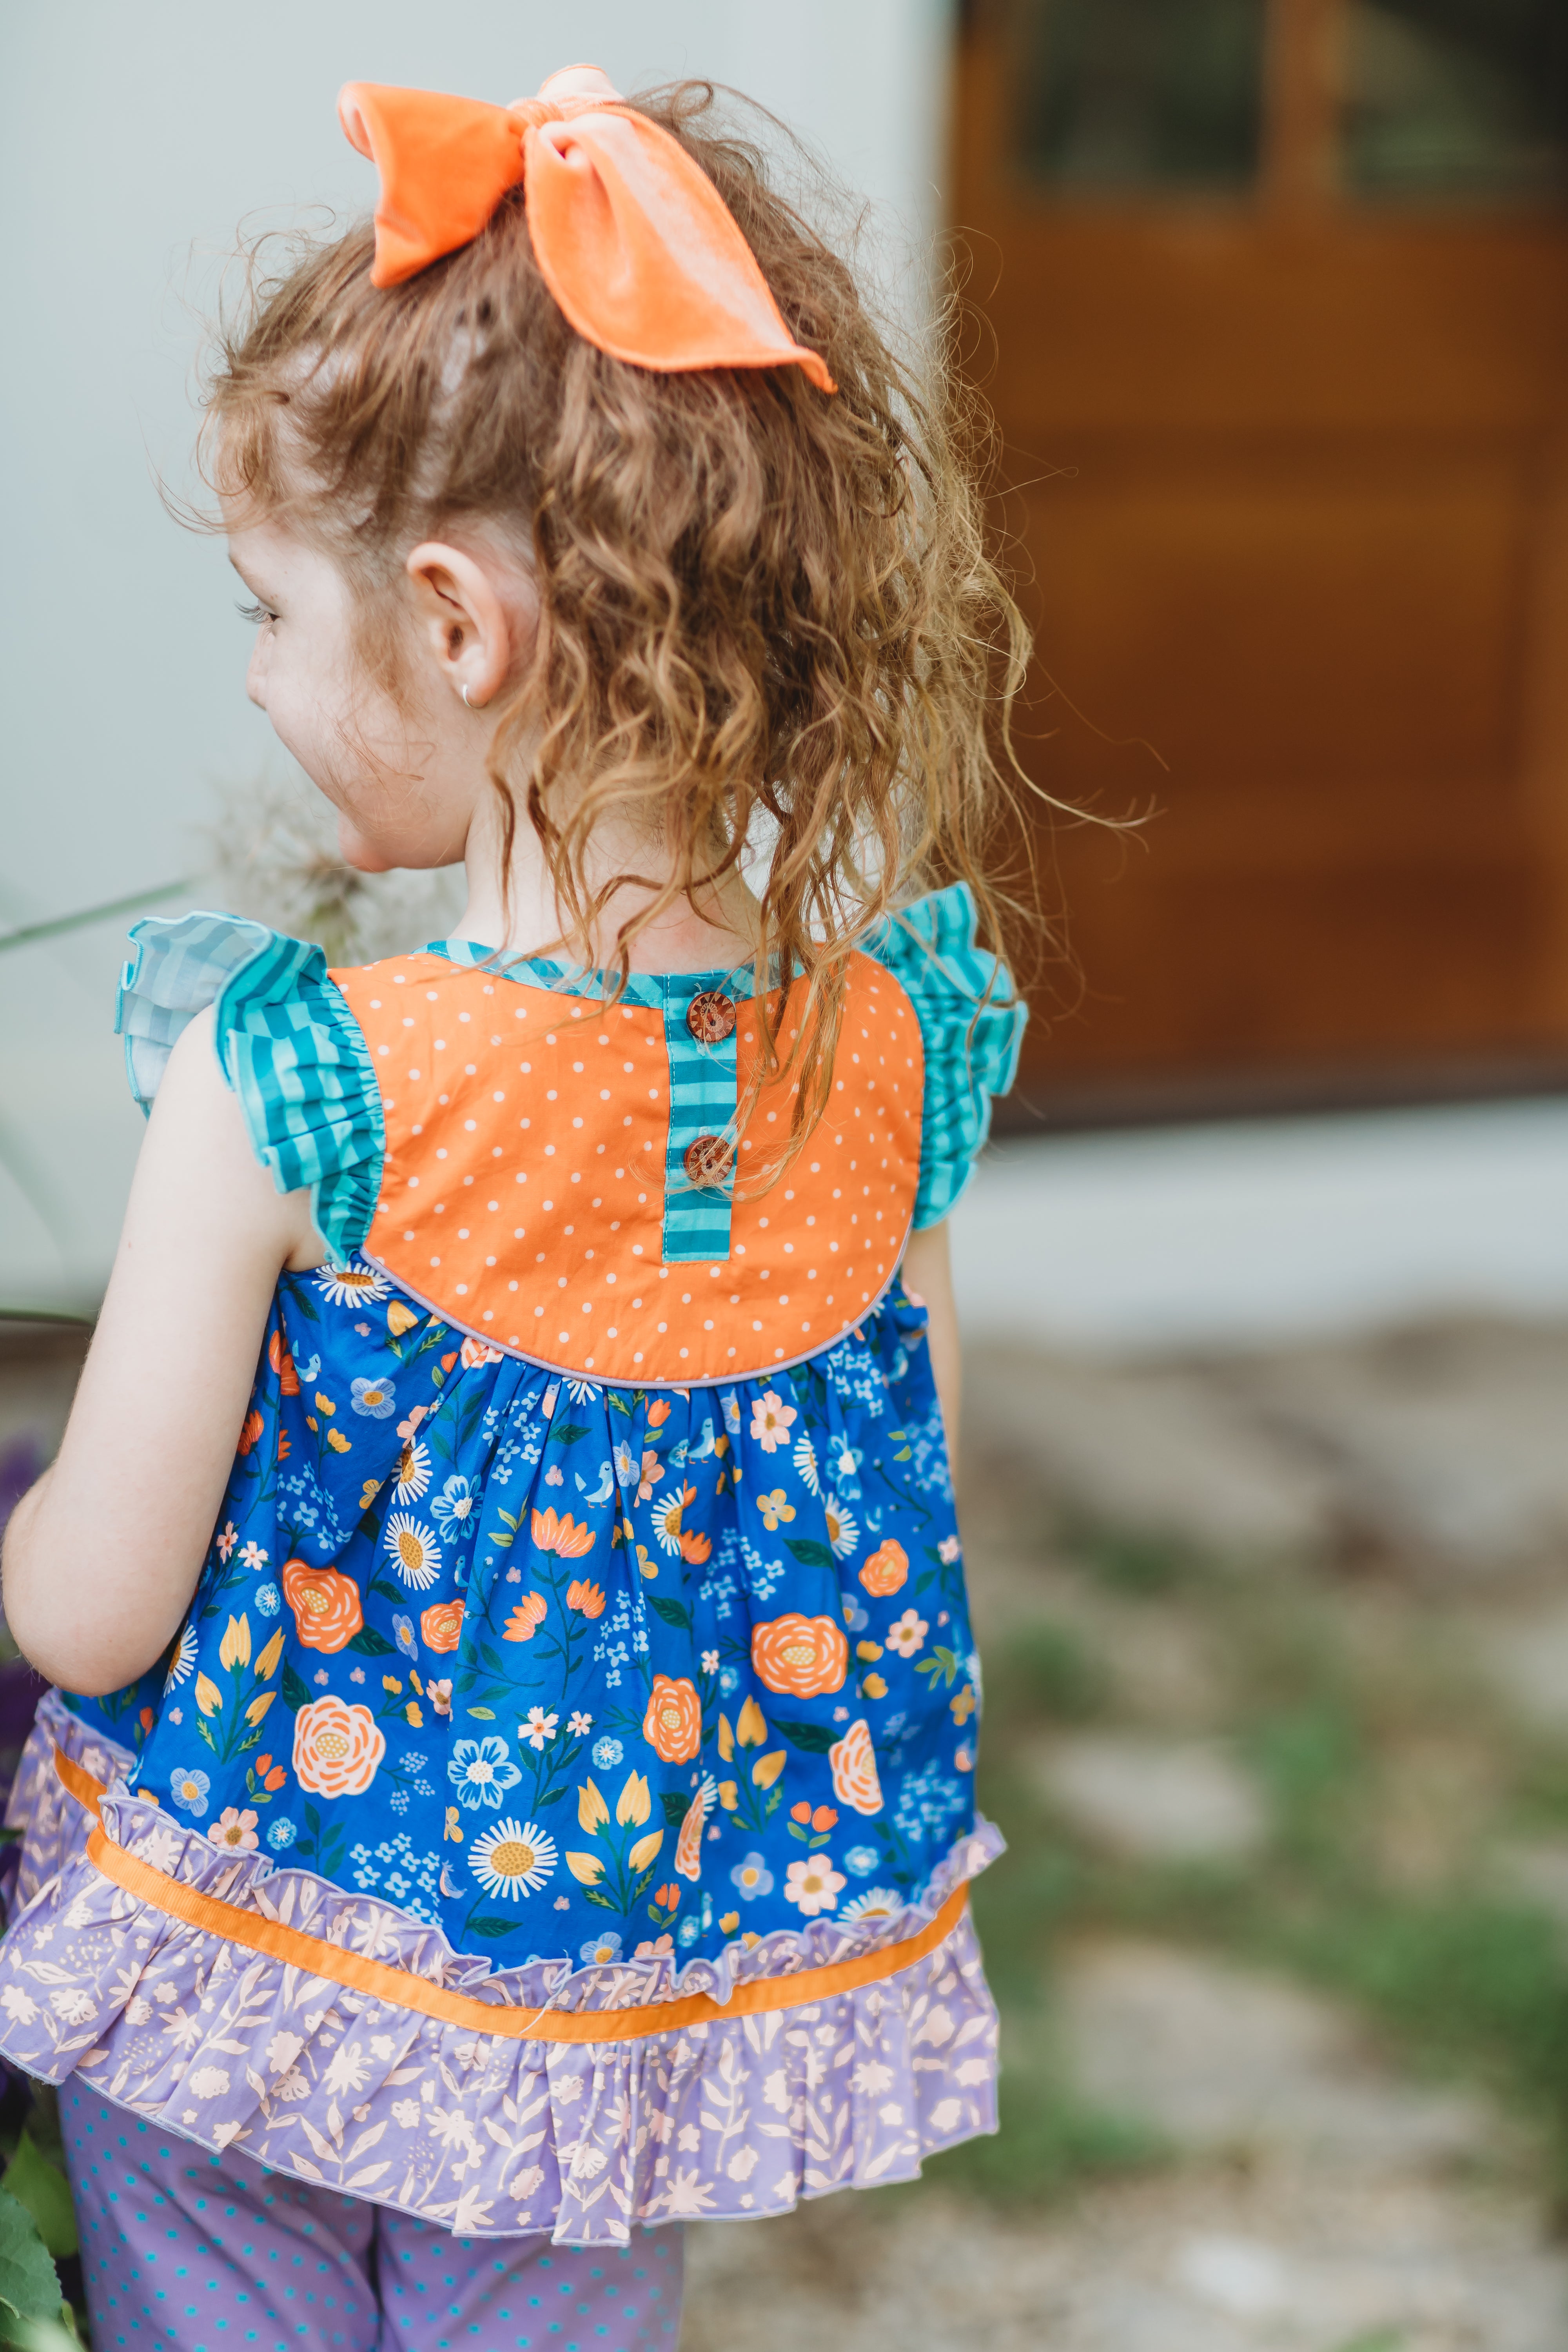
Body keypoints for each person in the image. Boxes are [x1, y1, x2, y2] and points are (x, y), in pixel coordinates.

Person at [0, 65, 1027, 2352]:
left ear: (458, 629)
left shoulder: (302, 1078)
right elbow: (903, 1512)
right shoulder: (892, 1059)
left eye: (269, 613)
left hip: (249, 1987)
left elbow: (87, 1613)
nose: (263, 680)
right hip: (601, 2034)